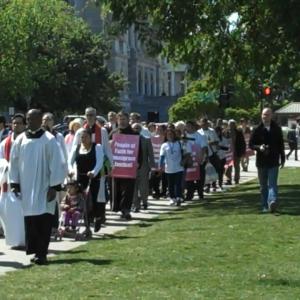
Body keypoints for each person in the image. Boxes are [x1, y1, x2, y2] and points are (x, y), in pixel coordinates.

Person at [9, 109, 66, 265]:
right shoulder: (20, 139)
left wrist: (54, 186)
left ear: (40, 120)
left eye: (33, 119)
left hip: (44, 186)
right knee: (31, 220)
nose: (29, 122)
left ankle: (42, 253)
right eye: (28, 119)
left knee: (44, 220)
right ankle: (35, 251)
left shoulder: (49, 140)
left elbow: (57, 163)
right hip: (27, 187)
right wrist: (15, 183)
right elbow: (13, 162)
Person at [72, 107, 113, 226]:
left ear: (95, 116)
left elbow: (106, 148)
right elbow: (75, 149)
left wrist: (111, 163)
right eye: (87, 115)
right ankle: (88, 218)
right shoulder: (80, 132)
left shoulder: (102, 131)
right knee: (85, 194)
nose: (89, 117)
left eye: (91, 115)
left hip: (98, 166)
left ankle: (100, 215)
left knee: (99, 193)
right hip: (83, 166)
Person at [249, 108, 285, 213]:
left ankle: (272, 201)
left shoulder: (277, 129)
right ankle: (265, 206)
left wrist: (282, 158)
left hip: (273, 160)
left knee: (272, 183)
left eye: (268, 115)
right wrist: (259, 147)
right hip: (261, 161)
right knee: (263, 185)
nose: (266, 117)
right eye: (264, 115)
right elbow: (251, 144)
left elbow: (281, 145)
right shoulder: (257, 129)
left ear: (271, 116)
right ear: (261, 115)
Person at [69, 128, 104, 232]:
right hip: (80, 178)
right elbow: (69, 161)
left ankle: (98, 217)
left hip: (93, 178)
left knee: (92, 200)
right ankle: (87, 226)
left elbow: (100, 162)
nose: (83, 139)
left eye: (85, 137)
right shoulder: (76, 147)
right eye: (82, 137)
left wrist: (94, 172)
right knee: (82, 202)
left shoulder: (97, 147)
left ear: (90, 137)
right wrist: (71, 170)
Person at [0, 113, 26, 249]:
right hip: (7, 184)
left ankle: (23, 241)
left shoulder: (28, 141)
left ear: (24, 125)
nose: (16, 125)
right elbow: (0, 160)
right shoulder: (5, 143)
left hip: (23, 182)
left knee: (21, 214)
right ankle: (13, 240)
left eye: (19, 123)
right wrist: (5, 165)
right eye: (14, 123)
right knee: (7, 213)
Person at [112, 111, 142, 220]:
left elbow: (139, 151)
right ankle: (119, 208)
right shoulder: (114, 133)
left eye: (124, 119)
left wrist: (139, 162)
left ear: (128, 120)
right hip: (118, 166)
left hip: (130, 166)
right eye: (120, 119)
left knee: (128, 189)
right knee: (118, 189)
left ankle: (126, 209)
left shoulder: (134, 134)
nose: (122, 121)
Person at [159, 128, 190, 206]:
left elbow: (187, 153)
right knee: (170, 184)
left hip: (179, 167)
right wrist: (160, 166)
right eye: (168, 134)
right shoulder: (164, 145)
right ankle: (172, 198)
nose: (170, 135)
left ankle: (179, 197)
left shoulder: (179, 143)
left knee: (178, 183)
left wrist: (184, 161)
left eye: (171, 134)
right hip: (168, 168)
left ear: (174, 135)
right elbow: (162, 156)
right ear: (166, 136)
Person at [132, 123, 155, 212]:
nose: (136, 130)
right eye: (134, 128)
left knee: (143, 186)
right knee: (133, 187)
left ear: (141, 129)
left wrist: (152, 167)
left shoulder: (146, 140)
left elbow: (151, 155)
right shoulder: (129, 140)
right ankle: (135, 205)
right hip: (132, 168)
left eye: (137, 128)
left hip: (143, 167)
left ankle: (144, 202)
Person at [225, 119, 246, 185]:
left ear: (235, 125)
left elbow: (243, 142)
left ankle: (236, 179)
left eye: (233, 124)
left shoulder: (239, 132)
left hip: (237, 152)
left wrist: (243, 151)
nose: (231, 125)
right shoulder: (226, 132)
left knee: (237, 166)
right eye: (230, 124)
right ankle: (228, 180)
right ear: (228, 125)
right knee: (228, 167)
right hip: (228, 152)